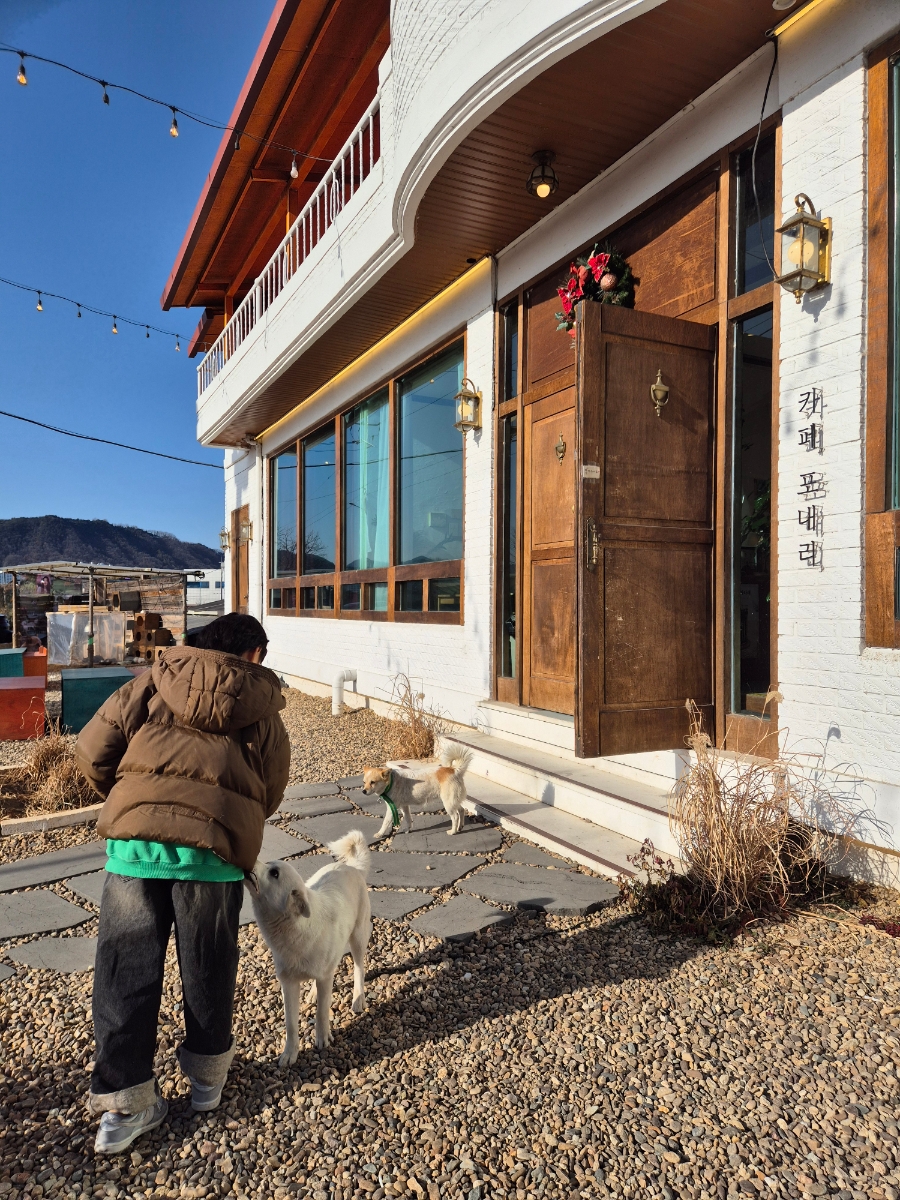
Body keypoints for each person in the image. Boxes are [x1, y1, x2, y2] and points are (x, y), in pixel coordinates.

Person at [75, 613, 290, 1155]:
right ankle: (207, 1084)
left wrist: (136, 799)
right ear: (254, 654)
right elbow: (270, 791)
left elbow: (93, 752)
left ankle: (124, 1108)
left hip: (135, 850)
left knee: (125, 972)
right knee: (209, 967)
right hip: (212, 856)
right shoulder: (261, 707)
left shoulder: (151, 681)